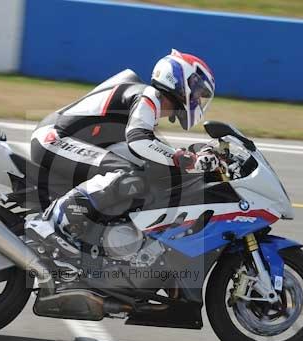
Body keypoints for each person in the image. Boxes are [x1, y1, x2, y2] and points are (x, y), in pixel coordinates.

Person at [30, 49, 217, 242]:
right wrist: (181, 159)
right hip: (53, 139)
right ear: (180, 80)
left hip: (66, 141)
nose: (197, 100)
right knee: (127, 174)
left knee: (144, 172)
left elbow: (153, 151)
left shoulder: (147, 107)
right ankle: (51, 224)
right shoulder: (149, 95)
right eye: (197, 92)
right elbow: (139, 140)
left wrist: (195, 157)